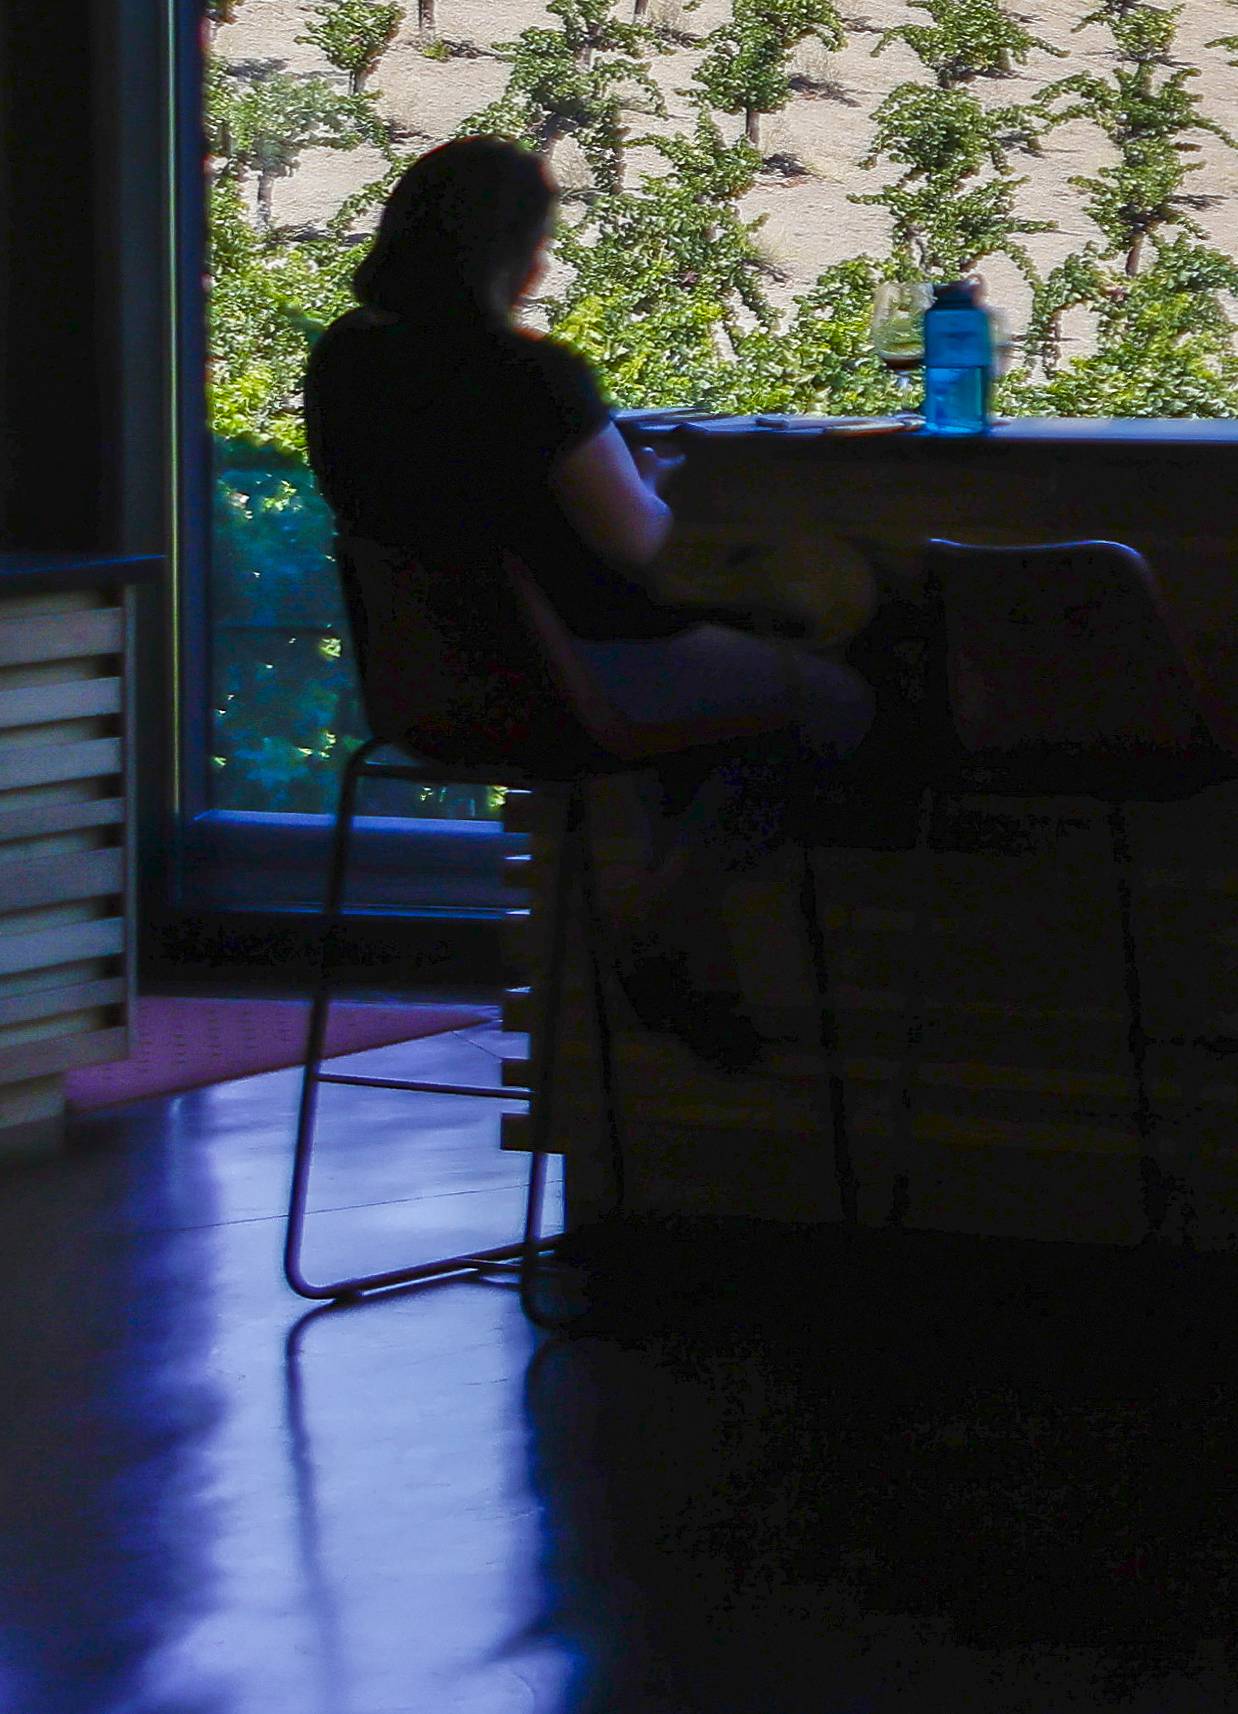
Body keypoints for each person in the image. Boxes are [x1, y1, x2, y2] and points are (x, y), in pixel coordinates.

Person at [298, 133, 866, 1062]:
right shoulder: (534, 376)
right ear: (514, 249)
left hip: (430, 687)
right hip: (582, 670)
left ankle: (664, 932)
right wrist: (647, 473)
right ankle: (656, 908)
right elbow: (637, 539)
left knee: (718, 721)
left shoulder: (344, 362)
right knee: (835, 701)